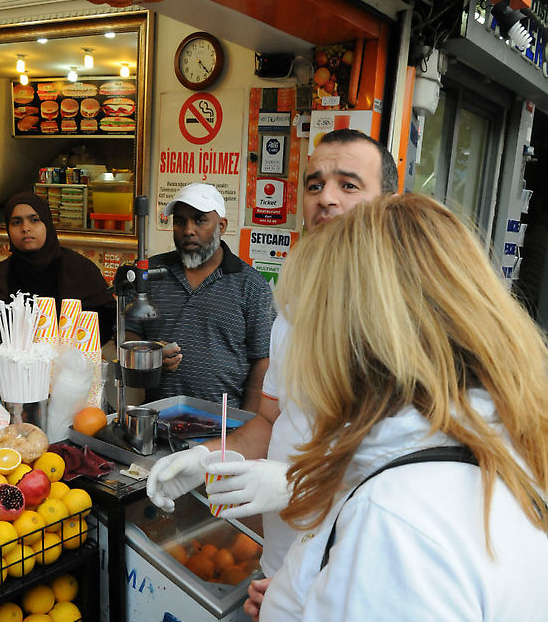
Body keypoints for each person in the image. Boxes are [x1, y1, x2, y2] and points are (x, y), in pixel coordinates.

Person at [10, 194, 548, 622]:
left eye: (307, 320)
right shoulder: (496, 451)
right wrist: (311, 593)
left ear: (360, 334)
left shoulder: (406, 528)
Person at [147, 130, 399, 576]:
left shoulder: (405, 318)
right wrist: (208, 458)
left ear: (390, 202)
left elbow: (405, 474)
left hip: (354, 574)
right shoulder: (297, 308)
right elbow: (271, 420)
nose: (327, 199)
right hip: (285, 562)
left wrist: (292, 485)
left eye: (350, 185)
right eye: (315, 185)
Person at [126, 182, 273, 411]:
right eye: (179, 221)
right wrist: (150, 355)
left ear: (221, 225)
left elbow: (262, 361)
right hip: (157, 415)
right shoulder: (150, 273)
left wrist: (248, 422)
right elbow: (129, 332)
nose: (188, 230)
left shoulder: (251, 285)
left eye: (200, 220)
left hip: (223, 424)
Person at [0, 191, 115, 345]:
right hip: (13, 367)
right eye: (16, 222)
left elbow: (105, 318)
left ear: (47, 223)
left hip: (71, 364)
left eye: (34, 220)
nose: (25, 228)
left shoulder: (78, 269)